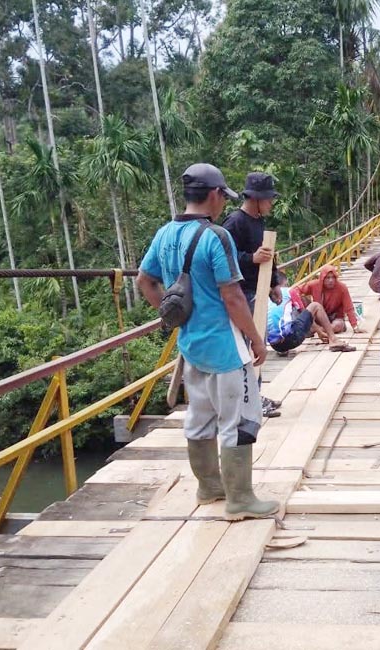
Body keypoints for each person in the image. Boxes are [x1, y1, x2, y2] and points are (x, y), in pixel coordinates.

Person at [136, 162, 278, 520]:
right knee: (240, 421)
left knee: (199, 418)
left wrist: (171, 315)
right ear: (214, 195)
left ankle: (209, 486)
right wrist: (256, 339)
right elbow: (232, 297)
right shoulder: (217, 237)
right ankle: (240, 499)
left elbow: (144, 280)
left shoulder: (165, 233)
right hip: (226, 347)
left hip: (191, 345)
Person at [222, 171, 282, 417]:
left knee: (257, 348)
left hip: (257, 291)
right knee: (246, 349)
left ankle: (254, 396)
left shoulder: (258, 220)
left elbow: (268, 253)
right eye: (268, 199)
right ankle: (248, 401)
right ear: (256, 198)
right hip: (241, 295)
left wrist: (274, 283)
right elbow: (223, 258)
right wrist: (250, 258)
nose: (271, 203)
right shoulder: (234, 222)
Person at [267, 276, 356, 355]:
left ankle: (282, 349)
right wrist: (319, 332)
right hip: (292, 339)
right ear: (284, 283)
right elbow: (303, 312)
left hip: (274, 345)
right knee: (315, 306)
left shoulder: (266, 296)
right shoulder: (289, 291)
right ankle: (333, 340)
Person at [290, 265, 363, 335]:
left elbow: (349, 308)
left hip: (335, 318)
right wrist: (301, 306)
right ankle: (316, 329)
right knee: (302, 298)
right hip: (318, 317)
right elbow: (295, 291)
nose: (331, 280)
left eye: (333, 277)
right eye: (327, 278)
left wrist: (355, 326)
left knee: (338, 325)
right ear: (322, 278)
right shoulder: (314, 285)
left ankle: (317, 330)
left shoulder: (342, 288)